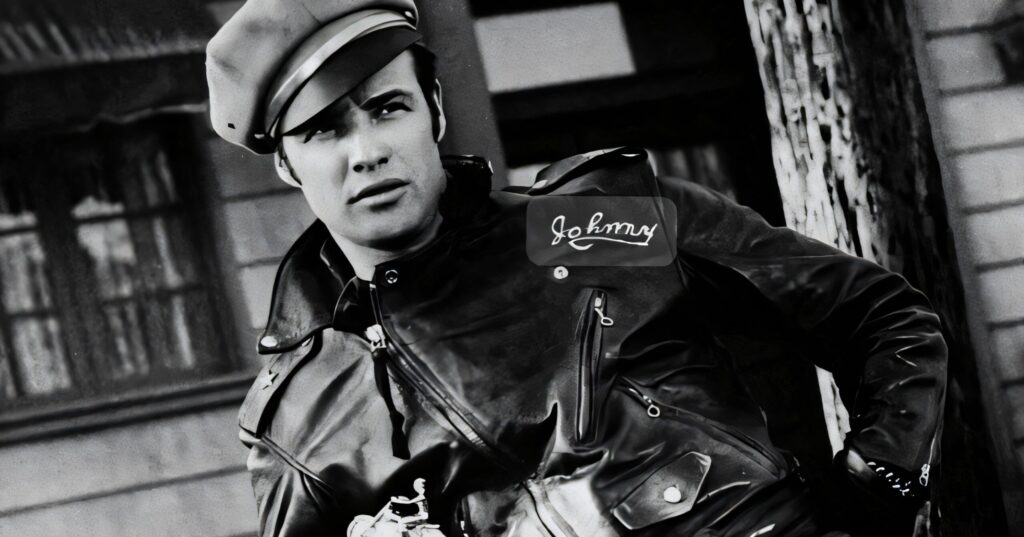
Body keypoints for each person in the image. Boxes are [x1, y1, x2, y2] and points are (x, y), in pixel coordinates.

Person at [205, 1, 947, 536]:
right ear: (286, 164)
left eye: (387, 108)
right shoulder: (300, 412)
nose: (365, 150)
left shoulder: (575, 227)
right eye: (326, 128)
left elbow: (883, 318)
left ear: (432, 108)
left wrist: (873, 484)